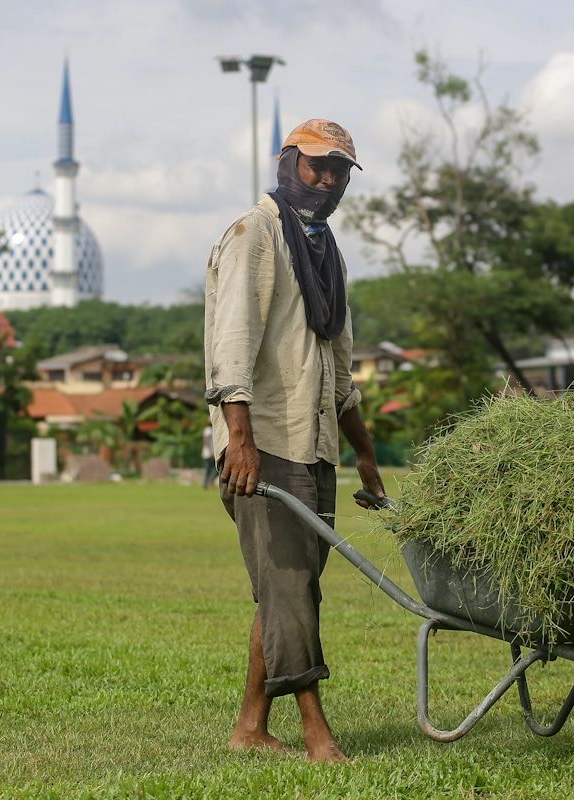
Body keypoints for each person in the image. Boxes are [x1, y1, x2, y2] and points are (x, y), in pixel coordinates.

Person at [203, 119, 386, 762]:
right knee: (288, 588)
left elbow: (339, 370)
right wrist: (240, 441)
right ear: (287, 163)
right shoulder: (255, 234)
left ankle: (251, 728)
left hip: (315, 446)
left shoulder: (325, 250)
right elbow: (232, 345)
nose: (328, 179)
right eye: (316, 165)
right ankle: (316, 733)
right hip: (264, 444)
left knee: (289, 590)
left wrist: (365, 455)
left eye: (339, 171)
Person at [201, 424, 217, 489]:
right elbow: (206, 440)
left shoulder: (213, 429)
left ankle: (209, 482)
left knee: (215, 469)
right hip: (208, 454)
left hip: (213, 453)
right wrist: (211, 451)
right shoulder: (208, 429)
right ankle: (206, 483)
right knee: (208, 470)